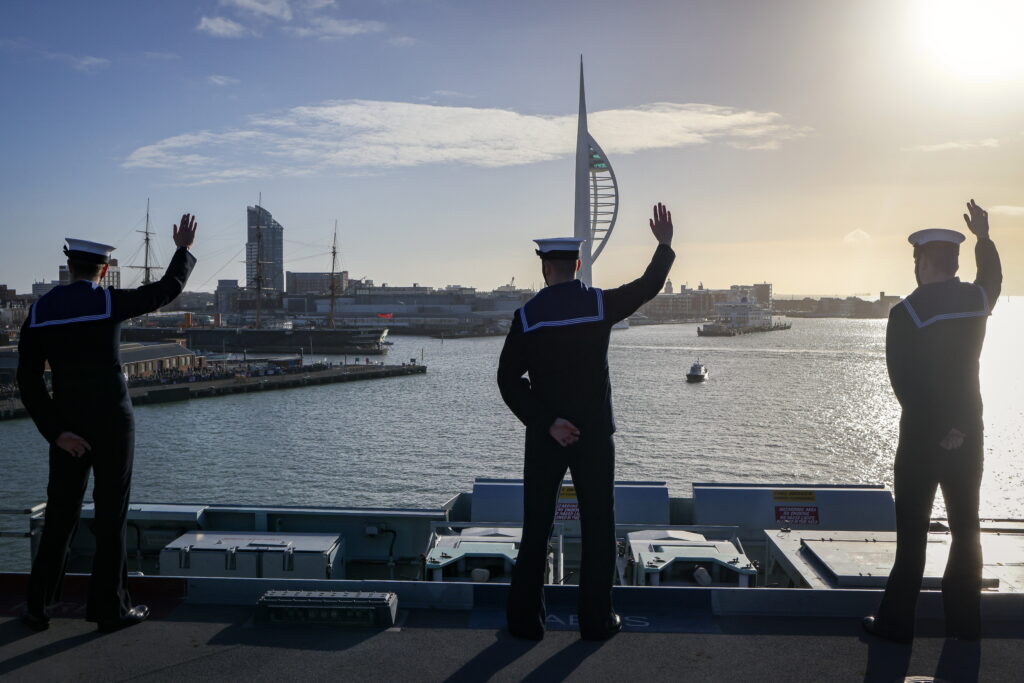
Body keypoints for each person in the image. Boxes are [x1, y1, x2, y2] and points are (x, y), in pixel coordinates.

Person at [497, 202, 675, 640]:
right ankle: (596, 622)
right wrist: (665, 246)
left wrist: (547, 422)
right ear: (578, 264)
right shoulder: (598, 305)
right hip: (595, 436)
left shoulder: (527, 317)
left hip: (545, 437)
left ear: (545, 269)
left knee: (536, 526)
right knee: (598, 525)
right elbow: (648, 286)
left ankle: (525, 624)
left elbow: (506, 379)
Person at [18, 214, 199, 633]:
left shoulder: (39, 312)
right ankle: (109, 609)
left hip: (66, 427)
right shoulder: (107, 302)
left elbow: (26, 380)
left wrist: (56, 432)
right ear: (103, 268)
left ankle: (37, 606)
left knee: (60, 515)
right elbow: (165, 291)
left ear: (69, 267)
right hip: (113, 423)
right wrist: (183, 250)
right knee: (110, 514)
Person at [864, 199, 1001, 643]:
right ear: (954, 260)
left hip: (923, 441)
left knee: (913, 540)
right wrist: (983, 236)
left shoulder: (905, 313)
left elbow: (904, 384)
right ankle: (964, 628)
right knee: (966, 531)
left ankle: (896, 625)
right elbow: (992, 279)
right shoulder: (976, 300)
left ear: (921, 261)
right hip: (971, 436)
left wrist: (941, 430)